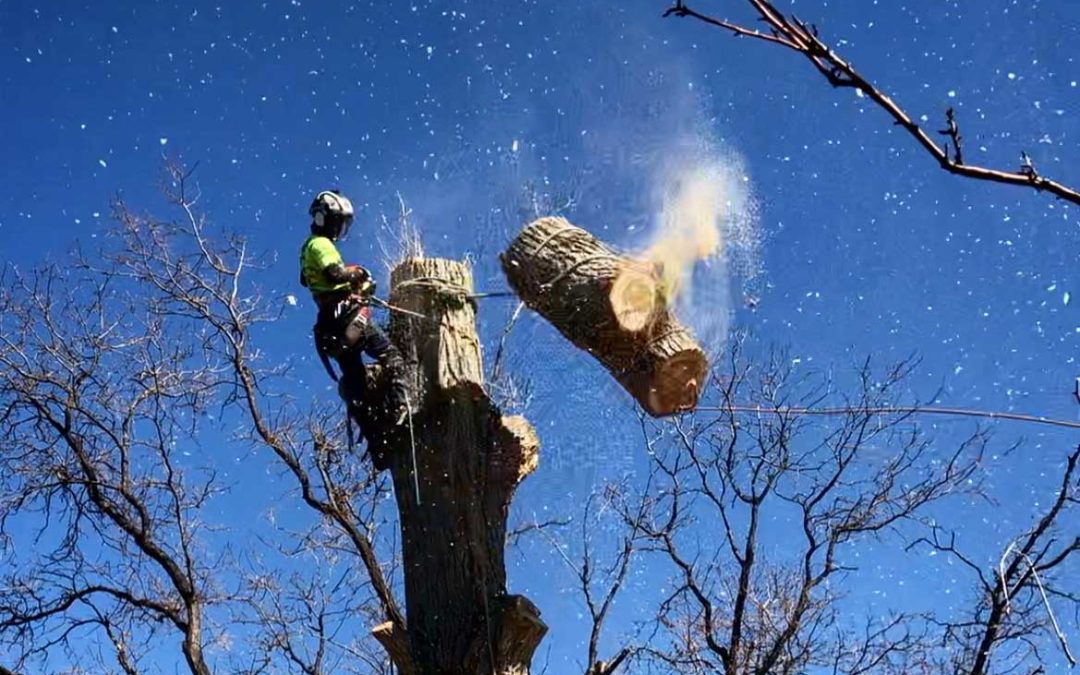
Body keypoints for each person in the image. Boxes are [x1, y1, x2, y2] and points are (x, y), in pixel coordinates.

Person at [300, 189, 409, 429]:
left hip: (331, 327)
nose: (340, 228)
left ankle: (374, 432)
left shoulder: (307, 249)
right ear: (324, 218)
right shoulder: (321, 245)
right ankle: (400, 409)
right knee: (393, 357)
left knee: (356, 380)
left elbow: (311, 280)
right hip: (348, 318)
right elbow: (335, 273)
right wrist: (358, 273)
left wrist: (354, 288)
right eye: (338, 222)